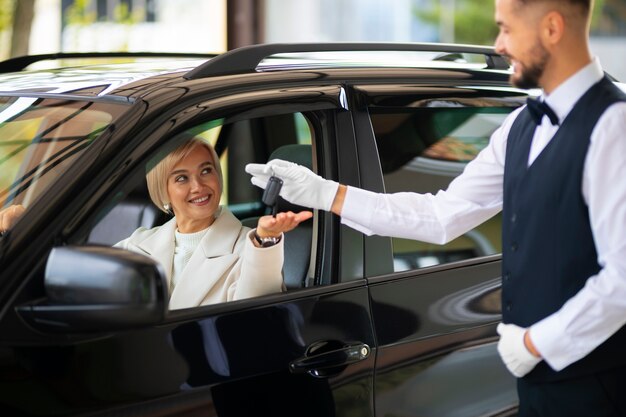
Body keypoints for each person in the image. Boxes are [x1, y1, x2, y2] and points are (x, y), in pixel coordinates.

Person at [246, 0, 626, 415]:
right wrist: (325, 193)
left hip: (596, 386)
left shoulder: (614, 125)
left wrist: (537, 343)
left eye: (506, 29)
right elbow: (443, 215)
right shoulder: (520, 125)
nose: (499, 45)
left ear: (552, 28)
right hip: (538, 383)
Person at [115, 137, 312, 310]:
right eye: (182, 178)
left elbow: (258, 314)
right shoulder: (136, 246)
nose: (198, 187)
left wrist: (265, 240)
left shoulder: (249, 247)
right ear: (163, 190)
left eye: (206, 171)